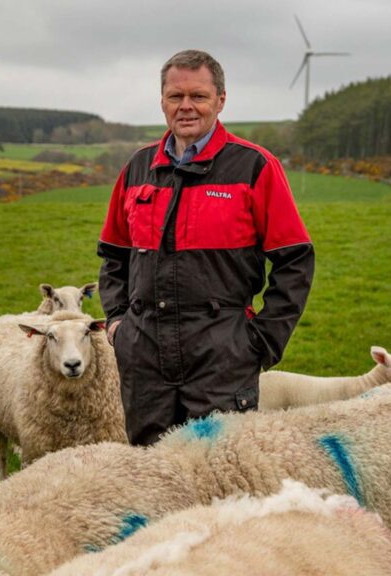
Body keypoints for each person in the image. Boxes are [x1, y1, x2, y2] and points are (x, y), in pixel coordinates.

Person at [97, 49, 314, 446]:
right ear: (162, 101)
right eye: (175, 97)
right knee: (151, 474)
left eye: (198, 96)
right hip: (145, 357)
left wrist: (261, 342)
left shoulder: (254, 166)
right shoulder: (139, 167)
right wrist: (117, 323)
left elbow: (295, 260)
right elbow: (113, 254)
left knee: (220, 477)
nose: (186, 107)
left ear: (220, 100)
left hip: (222, 356)